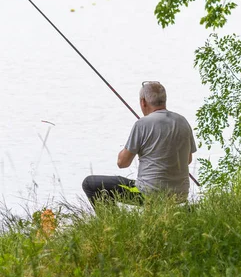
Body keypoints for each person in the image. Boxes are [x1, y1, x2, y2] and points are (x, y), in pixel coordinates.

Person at [82, 81, 197, 209]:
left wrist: (127, 149)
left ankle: (111, 226)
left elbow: (122, 163)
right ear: (164, 100)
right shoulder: (183, 121)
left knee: (90, 184)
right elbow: (188, 159)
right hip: (180, 195)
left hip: (149, 194)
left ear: (143, 102)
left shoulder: (142, 124)